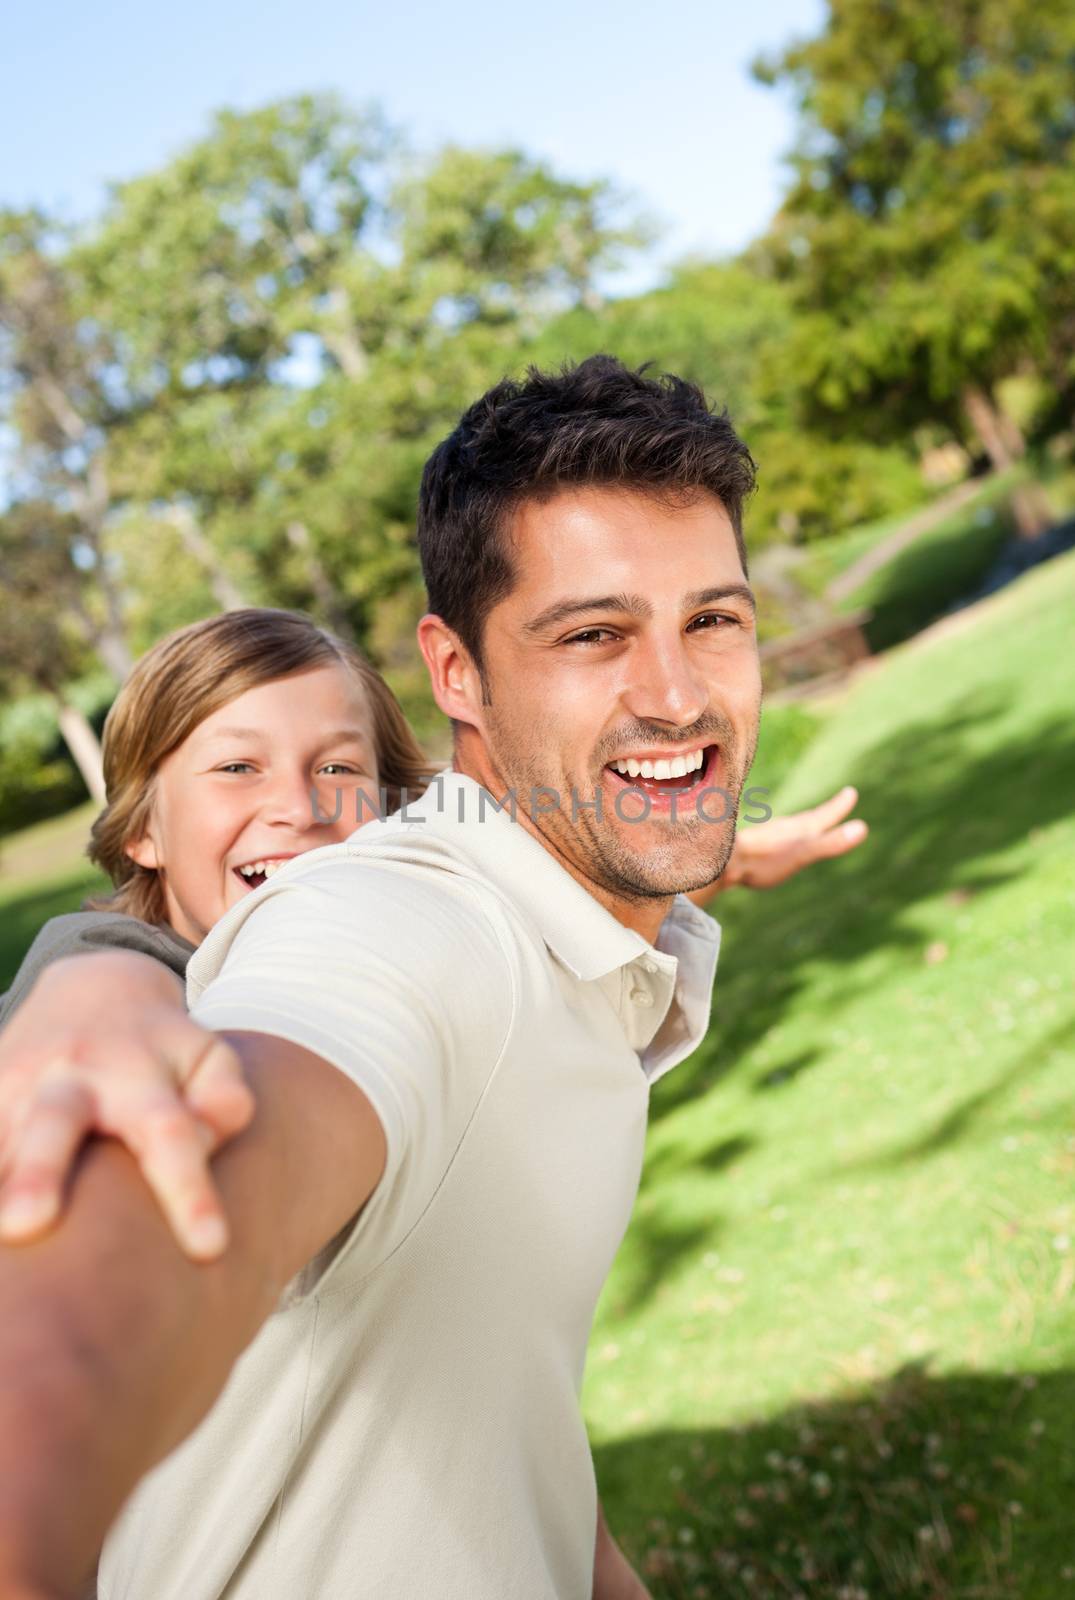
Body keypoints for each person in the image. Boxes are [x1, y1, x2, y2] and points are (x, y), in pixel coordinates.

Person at [0, 357, 866, 1600]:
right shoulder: (404, 931)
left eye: (713, 619)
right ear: (455, 672)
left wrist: (704, 863)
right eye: (592, 633)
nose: (677, 693)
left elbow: (511, 1444)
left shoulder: (576, 934)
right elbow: (185, 1205)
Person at [0, 605, 435, 1254]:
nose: (298, 807)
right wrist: (92, 1004)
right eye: (237, 768)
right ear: (144, 828)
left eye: (338, 768)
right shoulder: (105, 961)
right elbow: (97, 983)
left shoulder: (412, 949)